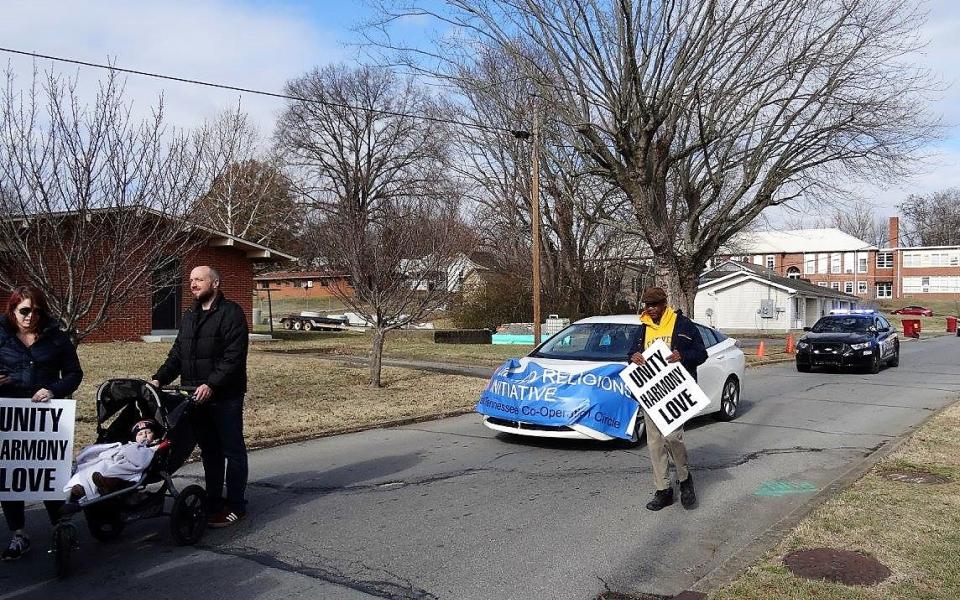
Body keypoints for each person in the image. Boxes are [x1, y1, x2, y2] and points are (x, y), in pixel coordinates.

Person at [151, 266, 249, 528]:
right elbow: (178, 354)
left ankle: (237, 505)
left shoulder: (232, 313)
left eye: (199, 279)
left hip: (225, 396)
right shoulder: (190, 315)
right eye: (191, 280)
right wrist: (159, 378)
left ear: (215, 283)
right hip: (194, 397)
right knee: (210, 452)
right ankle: (214, 500)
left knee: (233, 451)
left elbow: (233, 357)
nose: (193, 284)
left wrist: (212, 384)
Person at [0, 286, 83, 560]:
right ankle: (18, 534)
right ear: (12, 310)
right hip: (10, 416)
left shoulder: (55, 337)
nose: (31, 316)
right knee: (12, 474)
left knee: (49, 471)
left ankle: (60, 527)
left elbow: (74, 373)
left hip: (46, 415)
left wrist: (53, 390)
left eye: (37, 311)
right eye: (25, 310)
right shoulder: (1, 335)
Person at [628, 286, 707, 511]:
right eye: (647, 305)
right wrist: (632, 356)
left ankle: (684, 480)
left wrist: (683, 356)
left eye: (654, 305)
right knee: (654, 443)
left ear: (664, 304)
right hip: (651, 393)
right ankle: (663, 489)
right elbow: (631, 354)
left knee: (673, 437)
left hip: (675, 391)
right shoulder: (643, 328)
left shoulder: (682, 324)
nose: (650, 309)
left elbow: (701, 353)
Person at [66, 420, 162, 501]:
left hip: (128, 462)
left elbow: (141, 459)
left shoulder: (152, 447)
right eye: (140, 434)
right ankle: (81, 485)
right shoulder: (130, 444)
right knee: (95, 466)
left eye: (148, 432)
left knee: (117, 469)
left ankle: (103, 484)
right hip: (114, 458)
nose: (145, 435)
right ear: (135, 438)